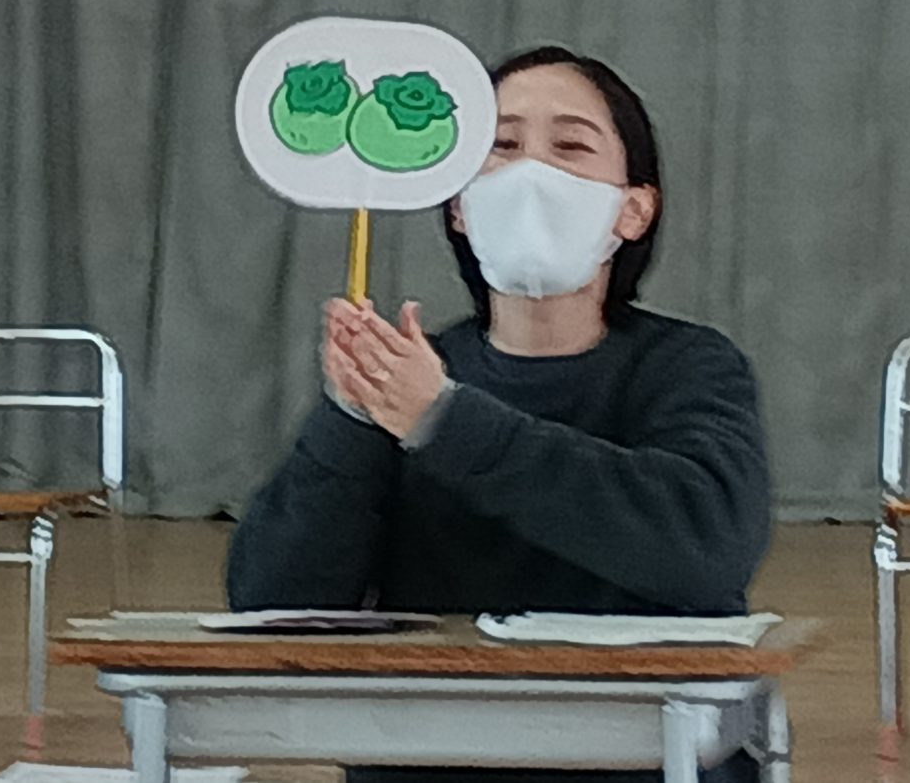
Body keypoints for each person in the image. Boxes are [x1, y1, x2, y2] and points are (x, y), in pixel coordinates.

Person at [227, 46, 772, 783]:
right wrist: (350, 421)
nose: (530, 172)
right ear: (457, 204)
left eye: (570, 147)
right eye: (501, 146)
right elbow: (271, 606)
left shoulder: (690, 366)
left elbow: (705, 547)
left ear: (635, 208)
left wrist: (445, 421)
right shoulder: (407, 378)